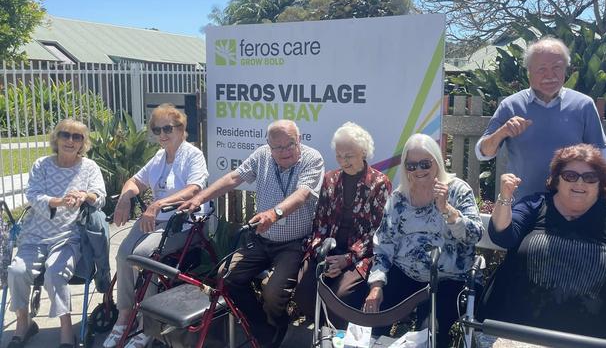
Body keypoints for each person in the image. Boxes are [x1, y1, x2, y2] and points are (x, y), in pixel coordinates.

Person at [478, 144, 606, 343]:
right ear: (556, 179)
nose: (579, 182)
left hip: (593, 337)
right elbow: (503, 236)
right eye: (570, 175)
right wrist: (505, 198)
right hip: (517, 332)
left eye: (590, 177)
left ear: (600, 183)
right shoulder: (535, 204)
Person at [178, 119, 324, 348]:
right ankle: (260, 328)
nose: (285, 151)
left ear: (300, 140)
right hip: (260, 238)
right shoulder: (262, 155)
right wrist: (200, 198)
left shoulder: (312, 158)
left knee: (274, 292)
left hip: (294, 243)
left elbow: (302, 194)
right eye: (278, 147)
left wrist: (274, 214)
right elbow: (234, 178)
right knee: (227, 279)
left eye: (291, 144)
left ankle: (278, 327)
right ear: (269, 145)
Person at [103, 104, 208, 348]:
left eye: (167, 128)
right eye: (156, 129)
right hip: (155, 220)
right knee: (122, 255)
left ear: (181, 129)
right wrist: (125, 198)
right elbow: (135, 181)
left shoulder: (192, 155)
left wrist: (158, 203)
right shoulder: (159, 157)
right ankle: (125, 314)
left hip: (184, 225)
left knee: (142, 257)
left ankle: (147, 324)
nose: (161, 134)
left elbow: (194, 189)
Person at [364, 133, 483, 347]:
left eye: (425, 163)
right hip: (406, 274)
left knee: (430, 335)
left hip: (448, 278)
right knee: (373, 320)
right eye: (411, 166)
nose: (418, 170)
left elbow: (474, 235)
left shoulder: (457, 190)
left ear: (436, 161)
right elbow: (383, 245)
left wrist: (447, 210)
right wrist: (376, 285)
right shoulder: (399, 198)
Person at [475, 37, 606, 199]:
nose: (550, 75)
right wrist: (502, 132)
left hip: (573, 207)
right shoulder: (510, 106)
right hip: (523, 206)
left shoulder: (583, 105)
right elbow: (482, 153)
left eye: (557, 67)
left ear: (566, 69)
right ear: (529, 71)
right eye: (541, 69)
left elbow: (602, 158)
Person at [7, 119, 106, 348]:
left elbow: (99, 197)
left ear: (83, 142)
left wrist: (85, 196)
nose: (70, 140)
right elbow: (32, 195)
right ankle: (24, 323)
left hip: (68, 236)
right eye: (65, 135)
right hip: (35, 235)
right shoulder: (42, 164)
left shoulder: (89, 167)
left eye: (77, 137)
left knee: (55, 272)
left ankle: (65, 330)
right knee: (16, 270)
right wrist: (59, 201)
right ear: (56, 138)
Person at [293, 122, 391, 328]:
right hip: (328, 251)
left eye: (349, 156)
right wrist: (323, 255)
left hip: (360, 255)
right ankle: (320, 332)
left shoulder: (379, 184)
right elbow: (319, 223)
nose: (343, 161)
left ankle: (340, 336)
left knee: (340, 297)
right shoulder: (330, 180)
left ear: (363, 152)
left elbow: (376, 233)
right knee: (303, 292)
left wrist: (346, 260)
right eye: (339, 155)